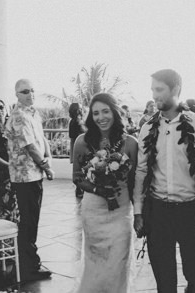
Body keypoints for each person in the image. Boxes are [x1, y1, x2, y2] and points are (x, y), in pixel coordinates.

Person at [134, 69, 195, 293]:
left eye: (159, 89)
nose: (154, 95)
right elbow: (141, 172)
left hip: (190, 210)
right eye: (153, 89)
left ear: (176, 90)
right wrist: (138, 211)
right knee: (164, 280)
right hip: (158, 211)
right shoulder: (147, 129)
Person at [71, 93, 138, 292]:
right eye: (96, 113)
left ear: (115, 112)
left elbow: (135, 181)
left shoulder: (131, 143)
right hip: (94, 213)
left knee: (119, 263)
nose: (101, 117)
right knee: (95, 263)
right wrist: (99, 189)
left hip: (121, 211)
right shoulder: (82, 141)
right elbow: (77, 177)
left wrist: (140, 214)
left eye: (106, 111)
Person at [5, 79, 55, 280]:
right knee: (28, 221)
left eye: (32, 90)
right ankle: (28, 266)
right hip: (25, 176)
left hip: (34, 175)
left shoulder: (32, 113)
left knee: (31, 220)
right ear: (17, 94)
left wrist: (48, 158)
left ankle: (27, 261)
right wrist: (47, 167)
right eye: (25, 91)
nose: (30, 94)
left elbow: (41, 140)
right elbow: (30, 146)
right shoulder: (19, 116)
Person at [68, 102, 86, 198]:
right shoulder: (75, 122)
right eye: (80, 108)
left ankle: (80, 189)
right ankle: (79, 189)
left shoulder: (79, 121)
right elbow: (72, 139)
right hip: (79, 150)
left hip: (82, 149)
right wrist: (72, 155)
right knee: (80, 171)